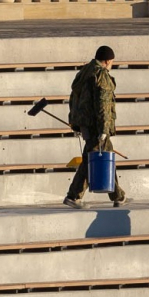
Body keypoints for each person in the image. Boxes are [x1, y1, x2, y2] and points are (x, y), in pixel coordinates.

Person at [63, 45, 129, 209]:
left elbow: (74, 99)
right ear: (107, 61)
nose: (112, 64)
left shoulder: (85, 72)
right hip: (97, 126)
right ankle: (74, 196)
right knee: (101, 159)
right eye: (112, 62)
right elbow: (103, 105)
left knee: (93, 159)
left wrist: (76, 122)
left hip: (86, 124)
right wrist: (104, 131)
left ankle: (117, 196)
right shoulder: (101, 76)